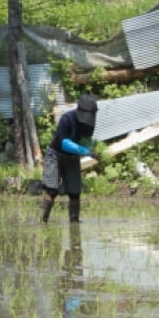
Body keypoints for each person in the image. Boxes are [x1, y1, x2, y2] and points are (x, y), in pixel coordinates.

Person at [41, 94, 98, 224]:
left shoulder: (90, 124)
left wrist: (93, 150)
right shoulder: (67, 119)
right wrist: (85, 151)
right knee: (52, 189)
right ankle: (43, 220)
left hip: (72, 156)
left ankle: (74, 222)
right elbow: (63, 143)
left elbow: (86, 140)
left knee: (75, 191)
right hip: (55, 154)